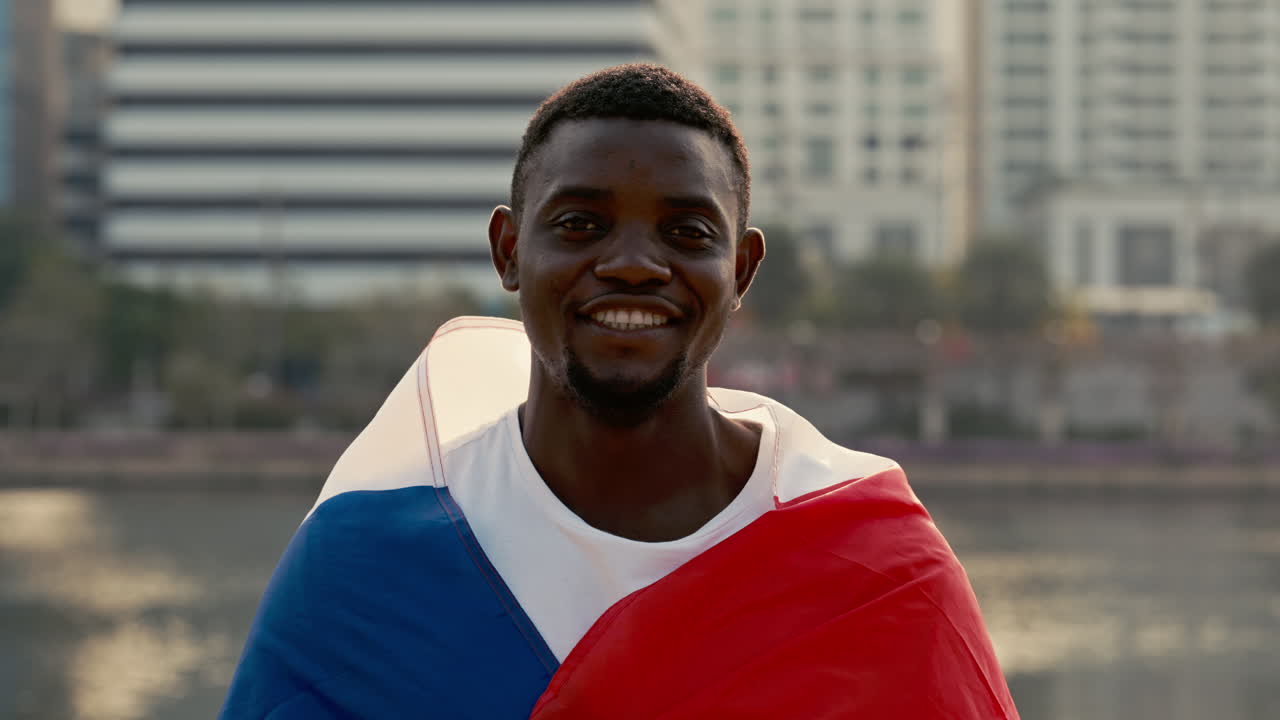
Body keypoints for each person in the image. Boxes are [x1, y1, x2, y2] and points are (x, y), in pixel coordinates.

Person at [220, 64, 1020, 720]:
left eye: (687, 233)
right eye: (579, 225)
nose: (634, 262)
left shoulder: (877, 573)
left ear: (740, 272)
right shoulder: (368, 564)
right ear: (508, 251)